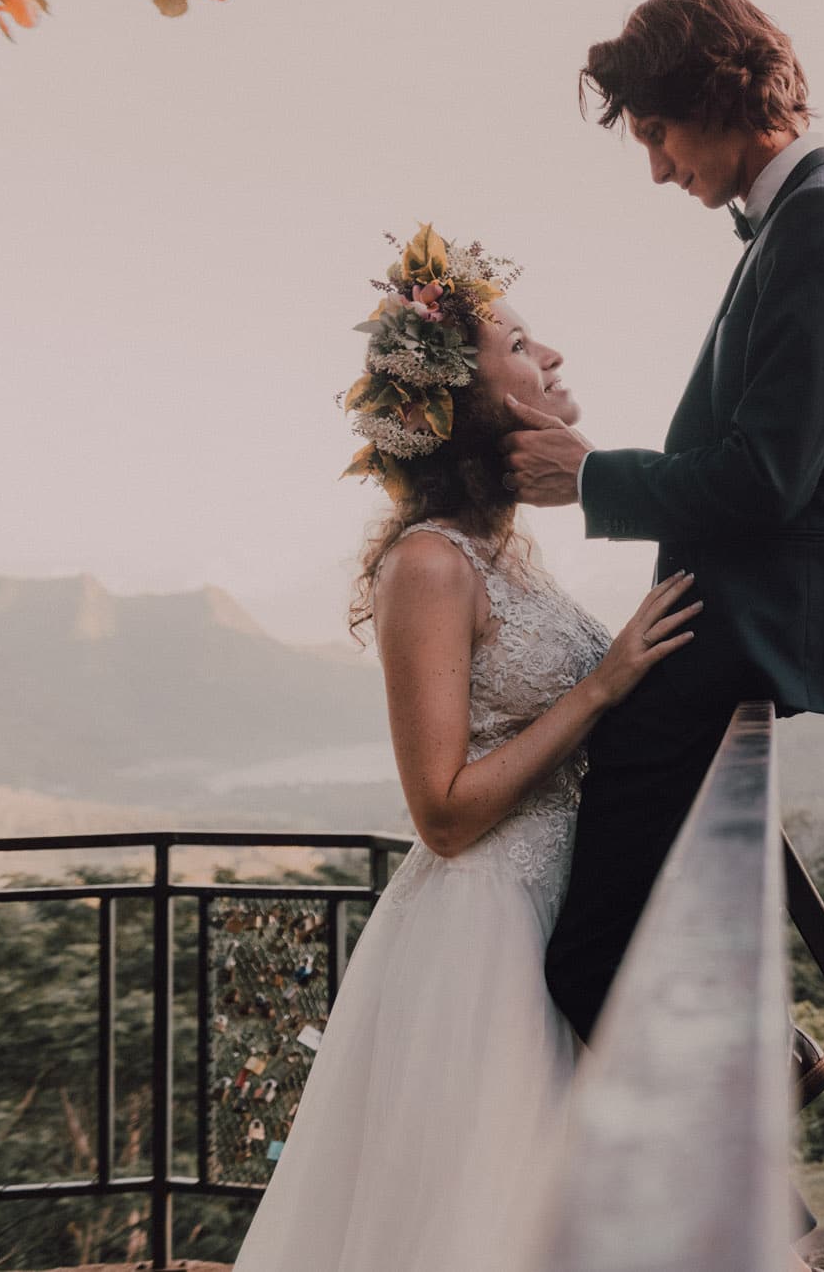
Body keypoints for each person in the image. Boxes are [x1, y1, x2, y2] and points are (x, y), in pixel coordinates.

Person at [502, 0, 824, 1060]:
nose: (658, 167)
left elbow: (765, 478)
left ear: (715, 96)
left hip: (768, 620)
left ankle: (752, 1165)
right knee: (647, 919)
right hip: (766, 607)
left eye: (657, 133)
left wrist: (590, 479)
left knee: (591, 949)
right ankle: (764, 1080)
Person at [234, 227, 698, 1272]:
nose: (556, 357)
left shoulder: (510, 553)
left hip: (567, 916)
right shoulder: (431, 567)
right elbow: (441, 812)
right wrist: (606, 680)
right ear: (461, 402)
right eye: (524, 344)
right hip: (487, 939)